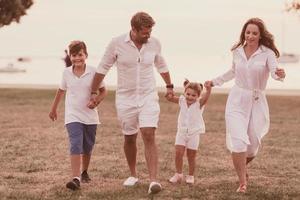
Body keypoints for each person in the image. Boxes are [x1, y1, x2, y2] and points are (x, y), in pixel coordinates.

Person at [89, 12, 174, 194]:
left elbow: (161, 65)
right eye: (144, 32)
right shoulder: (116, 43)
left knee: (148, 133)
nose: (148, 35)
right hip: (126, 98)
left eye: (150, 32)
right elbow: (103, 67)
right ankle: (133, 174)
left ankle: (153, 181)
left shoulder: (154, 43)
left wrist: (169, 86)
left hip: (148, 96)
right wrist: (93, 91)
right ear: (133, 30)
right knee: (129, 137)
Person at [205, 18, 286, 193]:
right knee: (239, 142)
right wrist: (214, 82)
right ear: (244, 33)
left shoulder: (267, 53)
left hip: (257, 100)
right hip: (237, 99)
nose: (250, 36)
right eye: (247, 32)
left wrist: (280, 74)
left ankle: (240, 164)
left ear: (260, 35)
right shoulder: (237, 51)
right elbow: (233, 72)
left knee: (253, 142)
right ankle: (242, 182)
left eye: (254, 33)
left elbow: (274, 72)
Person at [49, 41, 106, 190]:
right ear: (70, 56)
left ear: (85, 55)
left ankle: (84, 171)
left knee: (87, 146)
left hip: (90, 116)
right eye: (73, 55)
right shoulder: (66, 72)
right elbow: (61, 91)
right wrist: (53, 109)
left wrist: (96, 101)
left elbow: (103, 91)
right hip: (73, 115)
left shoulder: (94, 71)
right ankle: (75, 178)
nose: (77, 58)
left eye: (80, 55)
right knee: (75, 144)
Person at [166, 80, 211, 185]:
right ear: (184, 93)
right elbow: (170, 98)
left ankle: (190, 176)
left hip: (194, 133)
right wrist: (169, 95)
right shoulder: (181, 100)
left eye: (193, 95)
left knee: (191, 156)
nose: (190, 97)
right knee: (178, 153)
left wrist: (209, 90)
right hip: (181, 132)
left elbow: (206, 97)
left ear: (198, 96)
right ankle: (178, 174)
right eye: (188, 94)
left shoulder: (199, 104)